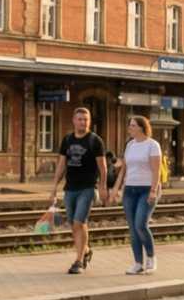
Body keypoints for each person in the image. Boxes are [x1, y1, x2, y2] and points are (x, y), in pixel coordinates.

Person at [42, 106, 108, 274]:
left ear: (89, 121)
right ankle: (85, 250)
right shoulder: (67, 140)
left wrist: (103, 187)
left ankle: (78, 261)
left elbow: (103, 167)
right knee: (73, 224)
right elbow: (62, 164)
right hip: (70, 188)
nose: (83, 122)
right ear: (74, 121)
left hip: (87, 187)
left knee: (80, 222)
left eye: (86, 119)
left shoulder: (95, 141)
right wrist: (54, 187)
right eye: (80, 119)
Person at [120, 115, 162, 275]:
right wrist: (118, 188)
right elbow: (125, 169)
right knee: (132, 228)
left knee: (140, 225)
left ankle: (151, 258)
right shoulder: (130, 145)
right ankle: (138, 263)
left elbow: (156, 170)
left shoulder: (153, 145)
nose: (129, 128)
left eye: (132, 125)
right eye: (129, 125)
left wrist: (153, 190)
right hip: (130, 189)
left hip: (147, 189)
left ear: (141, 128)